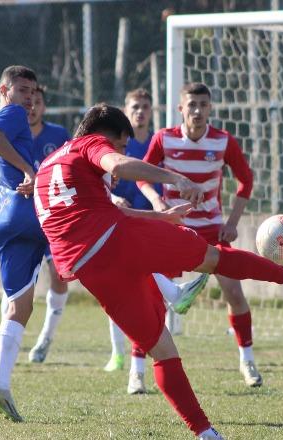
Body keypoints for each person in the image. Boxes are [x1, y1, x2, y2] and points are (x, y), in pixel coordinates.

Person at [34, 103, 283, 439]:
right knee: (214, 258)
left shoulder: (49, 166)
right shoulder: (91, 145)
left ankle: (205, 433)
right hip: (117, 241)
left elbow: (95, 213)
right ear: (110, 136)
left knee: (162, 350)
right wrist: (176, 177)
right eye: (123, 144)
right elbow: (118, 166)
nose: (119, 151)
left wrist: (161, 218)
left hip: (89, 268)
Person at [138, 82, 264, 388]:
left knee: (234, 293)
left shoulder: (222, 141)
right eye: (191, 105)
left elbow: (246, 180)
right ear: (181, 108)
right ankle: (137, 372)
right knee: (150, 298)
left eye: (203, 105)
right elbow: (142, 175)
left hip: (211, 230)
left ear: (210, 108)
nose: (197, 111)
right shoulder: (163, 139)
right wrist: (157, 203)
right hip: (172, 230)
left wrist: (232, 222)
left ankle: (247, 361)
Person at [104, 88, 210, 397]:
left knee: (146, 302)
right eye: (134, 107)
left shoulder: (154, 142)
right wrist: (112, 197)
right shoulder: (111, 142)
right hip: (117, 223)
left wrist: (160, 202)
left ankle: (136, 374)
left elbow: (150, 176)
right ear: (125, 109)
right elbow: (96, 179)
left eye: (145, 107)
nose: (140, 112)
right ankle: (125, 358)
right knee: (132, 297)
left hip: (146, 222)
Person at [0, 65, 46, 423]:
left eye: (33, 91)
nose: (29, 97)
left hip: (1, 223)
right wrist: (31, 171)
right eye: (22, 90)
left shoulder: (7, 118)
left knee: (20, 307)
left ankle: (0, 383)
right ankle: (169, 292)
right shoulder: (12, 114)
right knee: (97, 234)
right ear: (4, 90)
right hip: (25, 213)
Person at [24, 86, 72, 363]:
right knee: (21, 281)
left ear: (44, 106)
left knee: (59, 274)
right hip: (24, 218)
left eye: (38, 102)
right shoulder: (11, 135)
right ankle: (8, 334)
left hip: (54, 219)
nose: (32, 107)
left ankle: (46, 338)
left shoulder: (58, 136)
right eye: (28, 102)